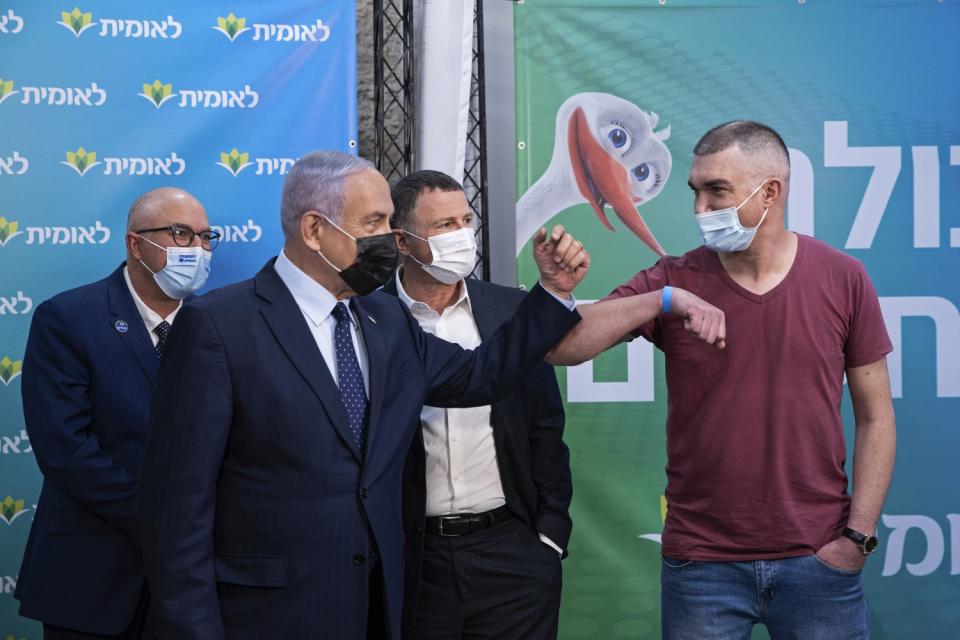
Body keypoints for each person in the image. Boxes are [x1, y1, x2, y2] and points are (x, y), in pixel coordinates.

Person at [137, 151, 589, 640]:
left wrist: (553, 293)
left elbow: (478, 375)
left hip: (379, 608)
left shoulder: (385, 319)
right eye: (373, 222)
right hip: (270, 615)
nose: (389, 239)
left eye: (391, 222)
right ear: (314, 230)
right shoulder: (219, 327)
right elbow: (178, 509)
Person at [548, 121, 896, 639]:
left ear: (770, 191)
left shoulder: (843, 278)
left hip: (818, 561)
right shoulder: (674, 278)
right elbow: (562, 347)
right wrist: (664, 300)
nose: (700, 210)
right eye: (696, 191)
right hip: (702, 566)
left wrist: (858, 538)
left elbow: (876, 416)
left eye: (717, 192)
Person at [15, 188, 216, 639]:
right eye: (181, 234)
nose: (198, 249)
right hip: (91, 576)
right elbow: (65, 449)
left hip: (194, 584)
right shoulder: (68, 318)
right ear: (135, 243)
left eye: (206, 237)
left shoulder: (219, 323)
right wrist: (163, 520)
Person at [384, 170, 572, 639]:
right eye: (443, 226)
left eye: (465, 220)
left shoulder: (512, 310)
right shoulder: (371, 316)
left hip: (512, 552)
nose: (461, 235)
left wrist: (549, 535)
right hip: (414, 558)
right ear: (402, 242)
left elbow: (545, 425)